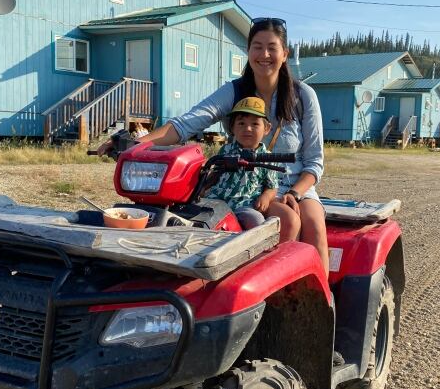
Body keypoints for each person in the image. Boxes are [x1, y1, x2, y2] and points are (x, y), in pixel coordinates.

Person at [118, 18, 328, 272]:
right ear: (248, 51)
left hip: (294, 186)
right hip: (242, 185)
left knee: (314, 225)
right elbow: (185, 124)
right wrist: (134, 145)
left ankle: (320, 304)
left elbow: (314, 162)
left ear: (285, 54)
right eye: (257, 46)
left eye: (272, 47)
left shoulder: (303, 96)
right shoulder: (235, 91)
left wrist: (293, 193)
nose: (264, 54)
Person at [205, 96, 279, 230]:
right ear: (232, 127)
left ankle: (255, 250)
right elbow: (215, 175)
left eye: (255, 124)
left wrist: (266, 197)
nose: (248, 128)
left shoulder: (266, 157)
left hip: (245, 205)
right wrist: (202, 188)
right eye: (241, 123)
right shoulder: (226, 149)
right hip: (217, 201)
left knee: (257, 221)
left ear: (267, 128)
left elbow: (272, 186)